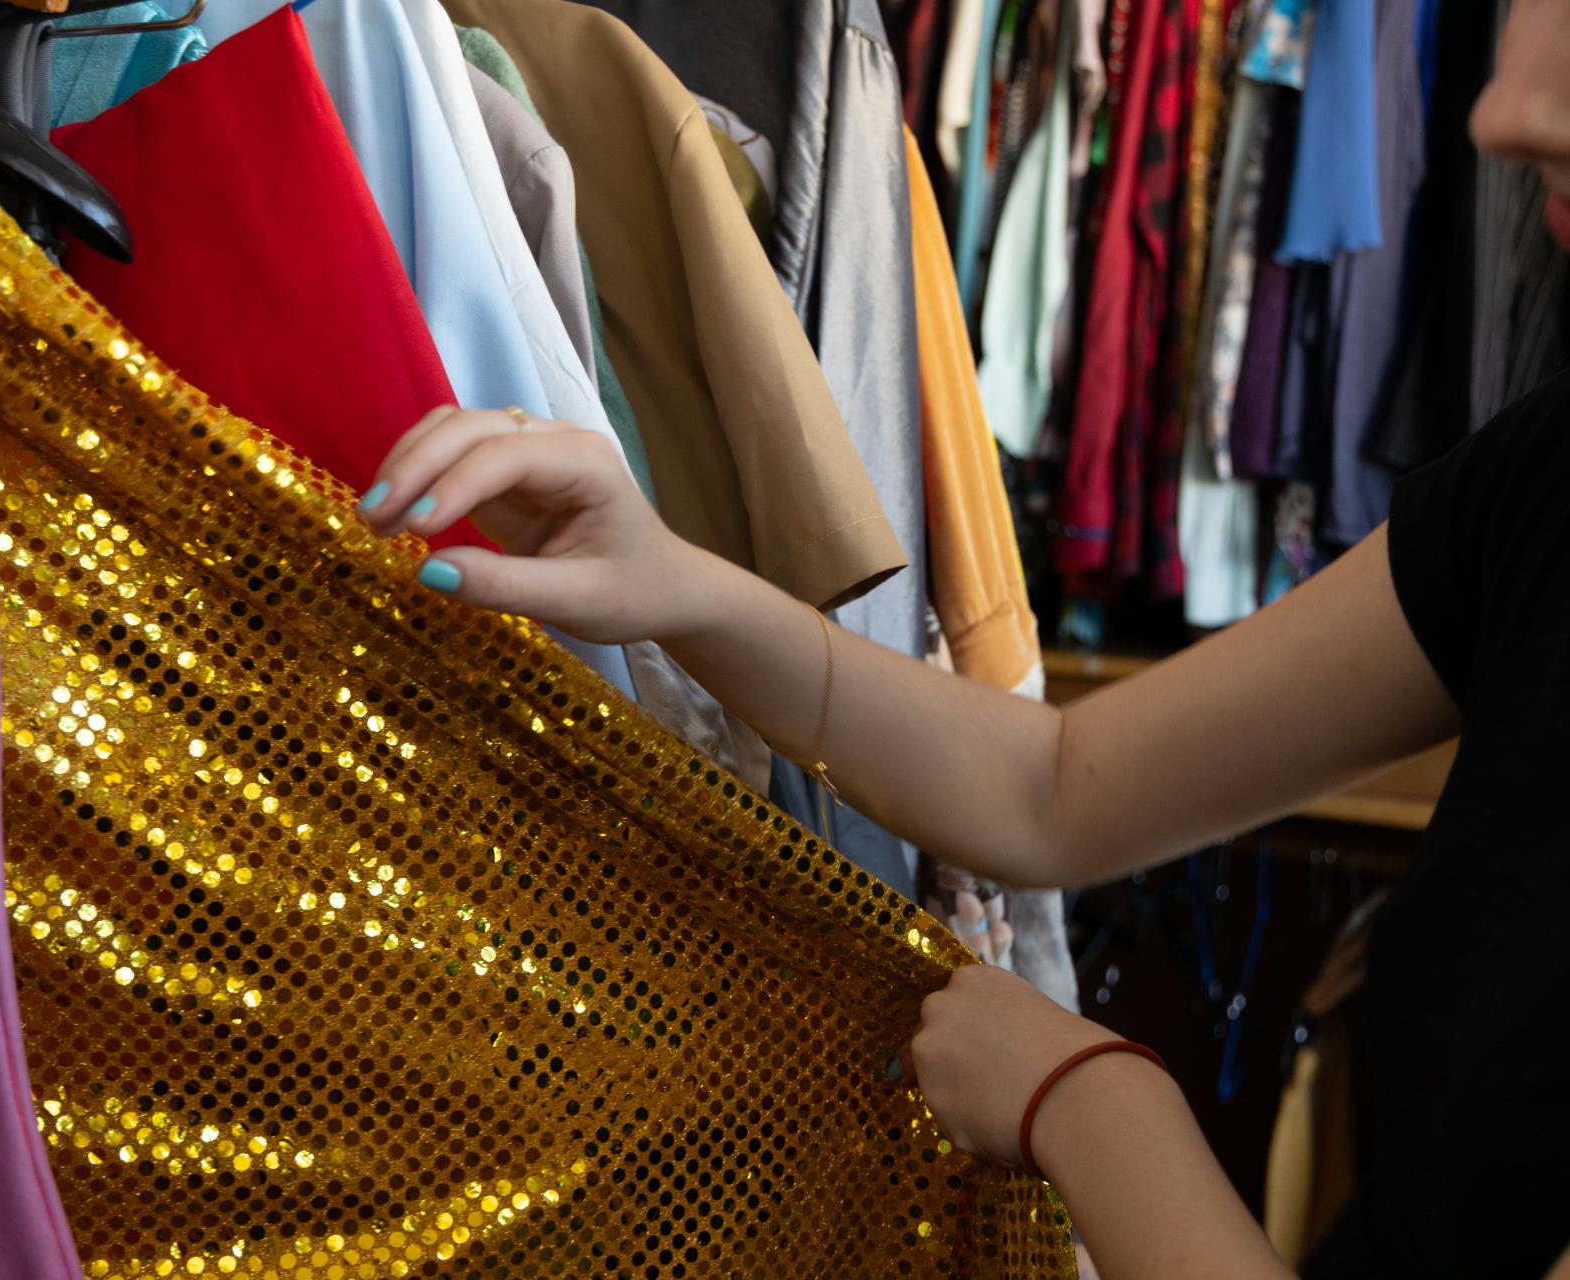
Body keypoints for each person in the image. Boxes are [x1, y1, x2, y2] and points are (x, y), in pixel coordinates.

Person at [358, 2, 1570, 1275]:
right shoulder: (1543, 484)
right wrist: (678, 585)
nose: (1503, 110)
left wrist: (1097, 1105)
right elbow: (1055, 787)